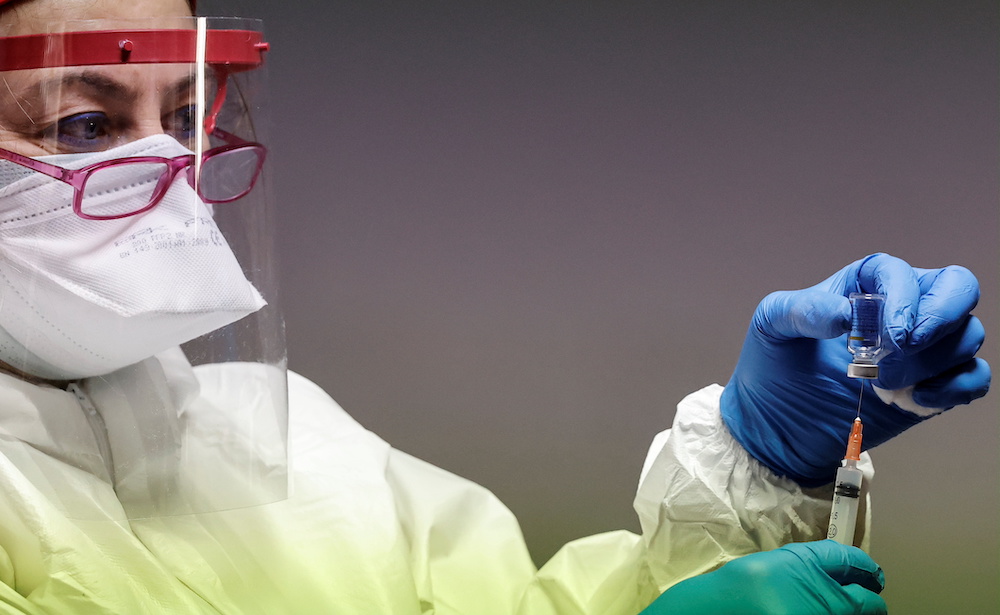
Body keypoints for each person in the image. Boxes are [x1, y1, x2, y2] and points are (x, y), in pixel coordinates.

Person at [0, 0, 989, 613]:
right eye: (85, 125)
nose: (165, 170)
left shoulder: (291, 446)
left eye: (181, 118)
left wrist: (761, 467)